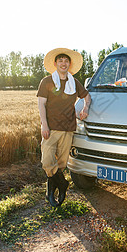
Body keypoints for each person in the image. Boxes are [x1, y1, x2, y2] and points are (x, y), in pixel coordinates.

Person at [37, 48, 91, 207]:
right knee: (47, 161)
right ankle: (62, 184)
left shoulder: (74, 83)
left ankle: (51, 192)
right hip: (51, 128)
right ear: (55, 64)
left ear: (69, 64)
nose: (63, 63)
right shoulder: (46, 81)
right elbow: (41, 104)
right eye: (60, 60)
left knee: (61, 164)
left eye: (66, 61)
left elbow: (87, 96)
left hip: (68, 128)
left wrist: (85, 108)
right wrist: (44, 125)